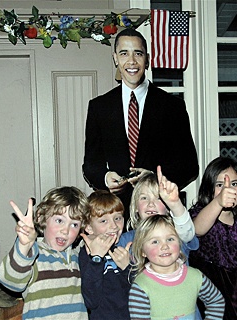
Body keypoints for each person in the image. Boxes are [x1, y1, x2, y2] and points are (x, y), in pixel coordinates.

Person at [82, 28, 199, 226]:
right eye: (124, 53)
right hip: (116, 217)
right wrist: (105, 177)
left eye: (138, 53)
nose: (132, 61)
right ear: (115, 59)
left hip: (159, 212)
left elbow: (189, 166)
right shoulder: (99, 107)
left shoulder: (172, 106)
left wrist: (153, 178)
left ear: (147, 59)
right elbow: (91, 163)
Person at [0, 186, 89, 319]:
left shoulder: (77, 257)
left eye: (74, 224)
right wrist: (24, 246)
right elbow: (10, 281)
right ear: (41, 218)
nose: (66, 230)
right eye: (59, 220)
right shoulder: (35, 254)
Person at [189, 156, 237, 320]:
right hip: (200, 299)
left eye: (234, 184)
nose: (228, 189)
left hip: (229, 301)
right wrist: (218, 202)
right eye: (220, 185)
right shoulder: (200, 213)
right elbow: (197, 229)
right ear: (209, 189)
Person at [128, 214, 225, 320]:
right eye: (155, 241)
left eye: (170, 239)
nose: (165, 246)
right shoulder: (141, 286)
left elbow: (216, 301)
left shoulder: (195, 276)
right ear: (142, 251)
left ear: (179, 244)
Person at [117, 165, 198, 262]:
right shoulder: (125, 240)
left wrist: (175, 204)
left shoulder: (177, 234)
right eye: (144, 198)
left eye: (158, 198)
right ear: (135, 207)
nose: (151, 204)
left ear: (168, 207)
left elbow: (187, 234)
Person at [79, 190, 132, 320]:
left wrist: (128, 269)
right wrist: (96, 259)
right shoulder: (86, 255)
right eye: (103, 221)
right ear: (89, 227)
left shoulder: (122, 251)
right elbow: (91, 301)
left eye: (118, 218)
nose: (114, 226)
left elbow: (141, 294)